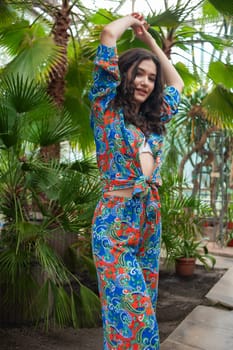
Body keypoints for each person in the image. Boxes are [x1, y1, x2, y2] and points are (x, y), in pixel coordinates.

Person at [89, 13, 184, 350]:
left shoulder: (152, 117)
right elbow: (107, 34)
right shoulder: (106, 109)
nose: (145, 82)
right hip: (114, 224)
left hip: (148, 222)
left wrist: (151, 42)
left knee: (131, 316)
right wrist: (131, 22)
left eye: (150, 77)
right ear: (123, 74)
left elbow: (178, 85)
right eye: (139, 74)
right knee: (135, 316)